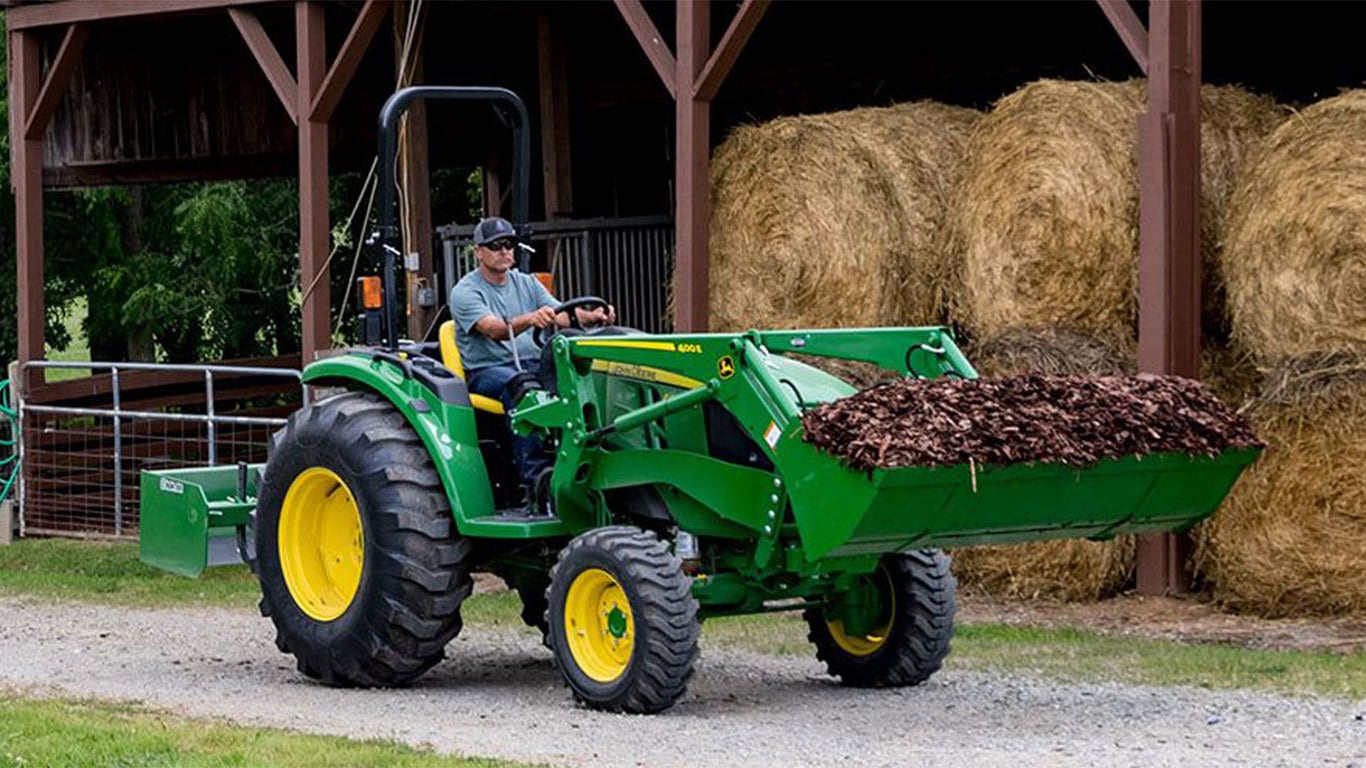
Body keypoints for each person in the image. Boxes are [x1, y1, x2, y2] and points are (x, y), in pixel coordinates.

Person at [450, 216, 614, 508]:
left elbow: (560, 315)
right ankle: (535, 481)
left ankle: (587, 461)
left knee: (581, 378)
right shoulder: (465, 292)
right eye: (496, 245)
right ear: (478, 252)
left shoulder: (526, 282)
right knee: (525, 388)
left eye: (510, 244)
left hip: (529, 362)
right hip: (487, 370)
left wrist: (594, 317)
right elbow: (494, 330)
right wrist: (530, 319)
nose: (505, 251)